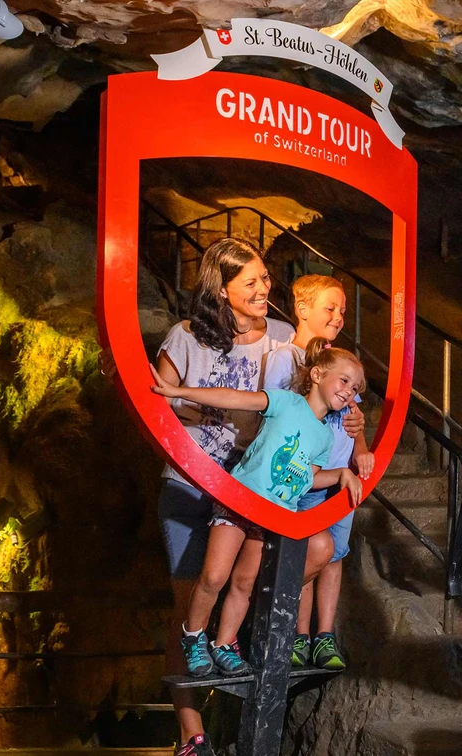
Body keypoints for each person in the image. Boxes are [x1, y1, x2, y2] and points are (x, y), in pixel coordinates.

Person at [149, 238, 364, 756]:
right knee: (197, 589)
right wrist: (201, 412)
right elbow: (159, 403)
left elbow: (317, 392)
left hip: (260, 490)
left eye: (267, 278)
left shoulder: (286, 339)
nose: (266, 288)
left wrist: (352, 423)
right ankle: (191, 730)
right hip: (193, 481)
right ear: (220, 289)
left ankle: (232, 664)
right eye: (252, 281)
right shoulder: (185, 337)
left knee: (243, 581)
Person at [150, 338, 366, 680]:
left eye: (355, 388)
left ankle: (223, 644)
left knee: (244, 582)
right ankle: (193, 635)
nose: (348, 391)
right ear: (317, 374)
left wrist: (341, 473)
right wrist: (179, 390)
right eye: (343, 380)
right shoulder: (286, 403)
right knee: (214, 576)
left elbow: (308, 476)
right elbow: (235, 398)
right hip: (241, 501)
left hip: (273, 516)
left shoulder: (324, 437)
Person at [261, 275, 374, 671]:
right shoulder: (286, 358)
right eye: (331, 307)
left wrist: (360, 449)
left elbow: (354, 416)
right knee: (310, 548)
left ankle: (323, 637)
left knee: (335, 553)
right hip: (307, 474)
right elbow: (276, 414)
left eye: (343, 309)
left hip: (340, 473)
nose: (339, 316)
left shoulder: (340, 363)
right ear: (302, 308)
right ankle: (298, 633)